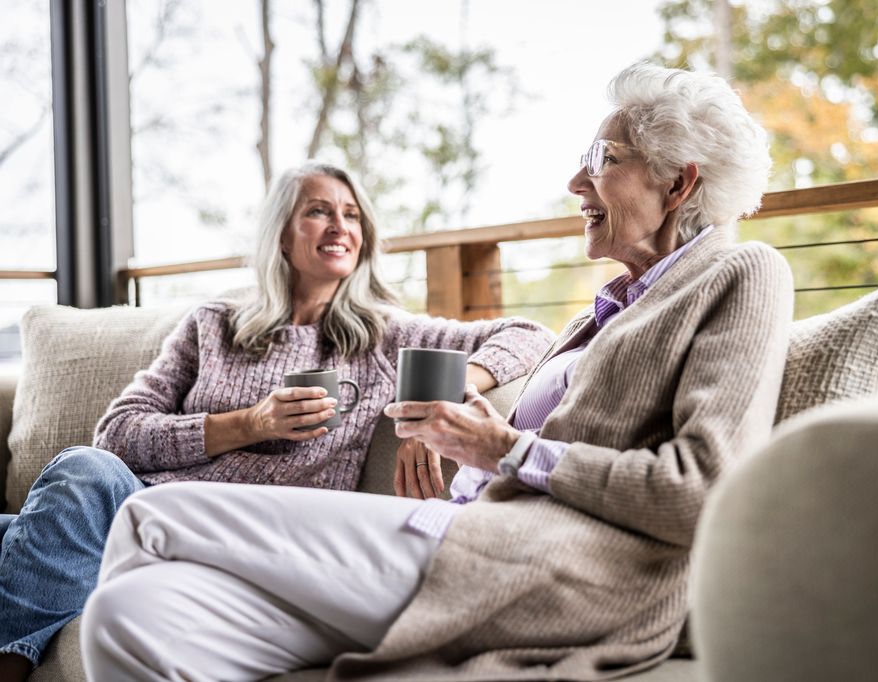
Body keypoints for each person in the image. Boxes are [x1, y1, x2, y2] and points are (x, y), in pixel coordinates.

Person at [81, 62, 794, 681]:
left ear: (679, 183)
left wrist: (503, 448)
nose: (576, 179)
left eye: (602, 158)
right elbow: (119, 431)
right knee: (130, 616)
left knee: (152, 512)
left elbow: (703, 490)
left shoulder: (740, 272)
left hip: (549, 568)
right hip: (468, 535)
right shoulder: (606, 311)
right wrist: (463, 443)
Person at [0, 162, 552, 681]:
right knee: (84, 471)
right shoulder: (214, 326)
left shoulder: (382, 335)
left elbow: (530, 334)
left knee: (45, 516)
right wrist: (250, 423)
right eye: (318, 211)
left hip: (253, 536)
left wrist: (439, 402)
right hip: (140, 510)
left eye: (352, 214)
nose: (340, 225)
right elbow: (117, 434)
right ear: (282, 236)